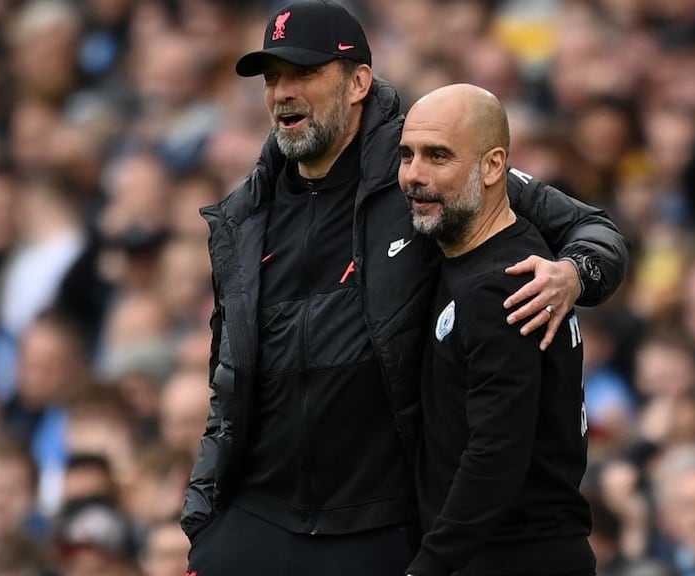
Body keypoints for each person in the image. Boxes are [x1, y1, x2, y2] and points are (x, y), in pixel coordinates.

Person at [181, 1, 627, 574]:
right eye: (272, 78)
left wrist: (573, 273)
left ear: (358, 81)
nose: (282, 92)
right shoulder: (245, 213)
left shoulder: (426, 164)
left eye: (304, 73)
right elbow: (230, 374)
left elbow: (593, 228)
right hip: (258, 517)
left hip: (379, 524)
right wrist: (203, 516)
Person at [398, 83, 594, 576]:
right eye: (407, 155)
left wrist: (431, 566)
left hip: (512, 555)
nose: (414, 175)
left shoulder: (500, 286)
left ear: (492, 166)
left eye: (437, 156)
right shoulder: (485, 255)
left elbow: (496, 453)